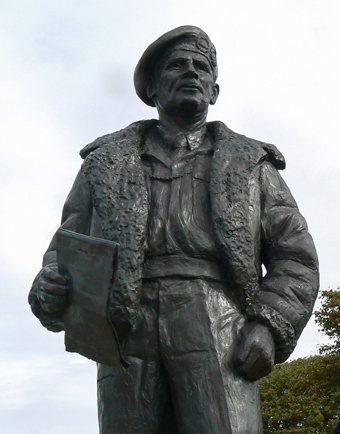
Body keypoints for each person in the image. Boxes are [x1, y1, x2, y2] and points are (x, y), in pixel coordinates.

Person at [28, 25, 319, 434]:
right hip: (126, 329)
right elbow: (67, 249)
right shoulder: (104, 164)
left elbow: (296, 257)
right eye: (176, 66)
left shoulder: (251, 164)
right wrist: (50, 286)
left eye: (201, 67)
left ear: (214, 91)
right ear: (152, 89)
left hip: (218, 323)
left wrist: (268, 324)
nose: (191, 72)